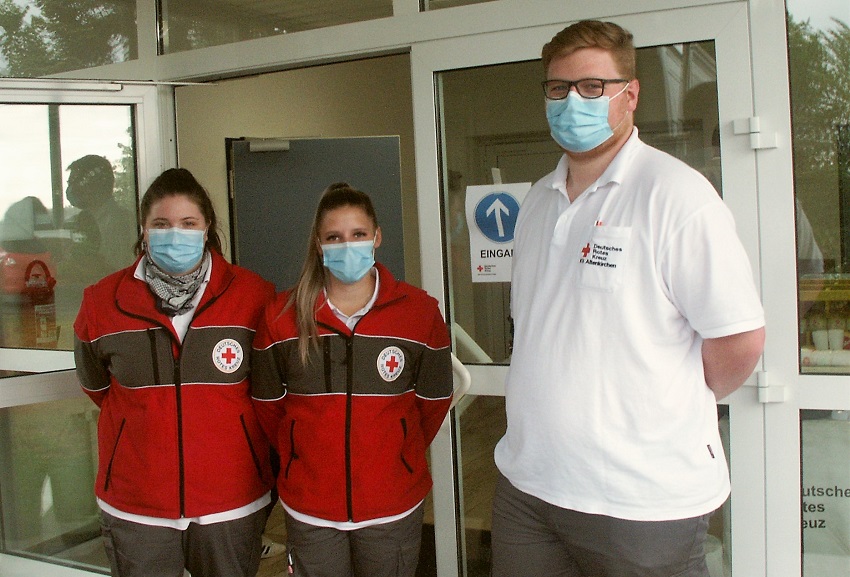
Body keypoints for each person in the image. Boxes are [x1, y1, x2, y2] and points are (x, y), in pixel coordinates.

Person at [490, 20, 766, 577]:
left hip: (643, 503)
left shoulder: (677, 196)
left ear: (630, 94)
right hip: (529, 487)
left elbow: (739, 339)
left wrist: (664, 397)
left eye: (593, 87)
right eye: (559, 88)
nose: (573, 101)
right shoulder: (538, 202)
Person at [73, 168, 276, 577]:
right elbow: (96, 385)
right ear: (143, 230)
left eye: (188, 224)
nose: (174, 234)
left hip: (230, 497)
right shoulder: (102, 301)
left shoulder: (254, 296)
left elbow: (270, 392)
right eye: (161, 224)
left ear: (207, 228)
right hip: (137, 501)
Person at [251, 182, 454, 577]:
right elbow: (268, 407)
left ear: (377, 237)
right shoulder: (281, 314)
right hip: (311, 506)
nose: (348, 245)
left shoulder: (418, 312)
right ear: (318, 244)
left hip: (392, 502)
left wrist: (392, 452)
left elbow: (432, 403)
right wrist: (302, 451)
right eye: (335, 237)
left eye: (358, 234)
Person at [65, 154, 136, 271]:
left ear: (91, 184)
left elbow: (119, 268)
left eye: (73, 183)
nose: (71, 189)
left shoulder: (121, 223)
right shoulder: (80, 221)